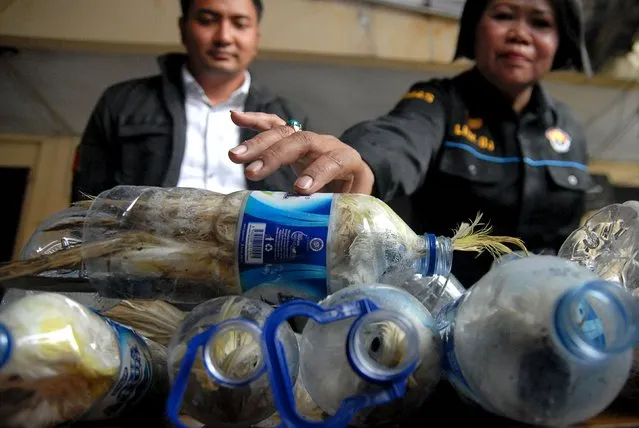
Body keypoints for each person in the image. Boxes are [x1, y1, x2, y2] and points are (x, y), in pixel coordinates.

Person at [227, 0, 594, 287]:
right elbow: (399, 138)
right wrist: (360, 161)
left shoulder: (569, 130)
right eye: (503, 15)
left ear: (560, 40)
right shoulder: (437, 103)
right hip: (444, 323)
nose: (519, 33)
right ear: (474, 28)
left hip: (544, 321)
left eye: (540, 22)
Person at [72, 0, 310, 202]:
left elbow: (306, 201)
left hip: (253, 252)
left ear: (256, 36)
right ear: (183, 28)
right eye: (207, 20)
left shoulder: (289, 116)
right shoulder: (122, 102)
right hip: (142, 252)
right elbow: (86, 202)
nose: (224, 37)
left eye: (240, 24)